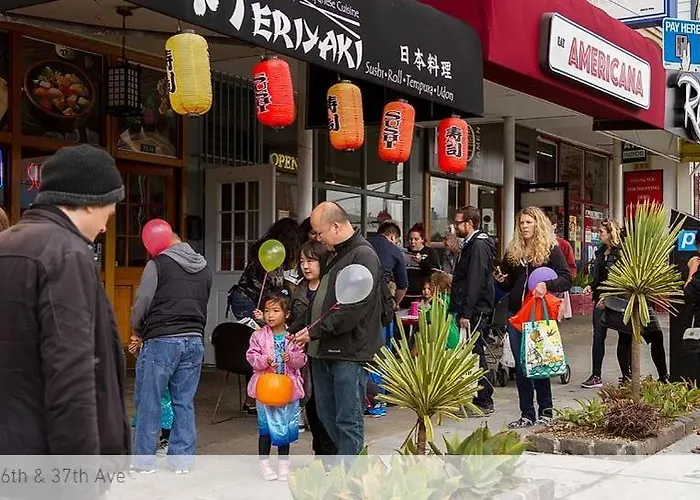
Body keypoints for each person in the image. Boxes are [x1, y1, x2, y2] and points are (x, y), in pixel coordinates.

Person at [0, 145, 131, 457]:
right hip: (48, 452)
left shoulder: (7, 242)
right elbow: (71, 372)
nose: (105, 226)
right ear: (90, 202)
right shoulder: (67, 254)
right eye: (109, 213)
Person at [293, 202, 383, 456]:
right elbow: (321, 300)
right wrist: (297, 327)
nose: (318, 239)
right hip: (323, 350)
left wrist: (315, 331)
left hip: (348, 351)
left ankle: (351, 471)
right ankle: (341, 466)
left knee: (347, 419)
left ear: (335, 226)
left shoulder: (363, 255)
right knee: (326, 414)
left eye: (320, 233)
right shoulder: (335, 254)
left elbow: (353, 308)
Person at [131, 231, 212, 473]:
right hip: (194, 339)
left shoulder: (158, 264)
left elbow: (143, 301)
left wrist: (137, 329)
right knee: (183, 402)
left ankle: (144, 461)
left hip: (161, 339)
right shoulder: (204, 268)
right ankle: (182, 461)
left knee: (149, 400)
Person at [495, 206, 572, 429]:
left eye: (529, 222)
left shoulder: (550, 249)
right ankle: (527, 413)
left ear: (538, 224)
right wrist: (501, 280)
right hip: (516, 314)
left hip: (537, 315)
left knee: (538, 362)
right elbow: (510, 284)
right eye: (521, 223)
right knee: (521, 366)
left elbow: (566, 279)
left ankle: (546, 411)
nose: (524, 226)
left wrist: (546, 285)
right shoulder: (513, 251)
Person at [227, 217, 304, 413]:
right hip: (246, 300)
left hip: (242, 298)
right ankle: (256, 397)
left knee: (258, 344)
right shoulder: (273, 254)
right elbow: (275, 289)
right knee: (262, 343)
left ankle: (253, 398)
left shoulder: (265, 248)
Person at [247, 292, 306, 481]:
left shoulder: (293, 337)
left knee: (285, 428)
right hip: (265, 389)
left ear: (287, 314)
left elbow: (302, 360)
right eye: (266, 311)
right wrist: (265, 360)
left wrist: (292, 358)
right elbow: (251, 357)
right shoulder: (258, 336)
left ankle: (283, 465)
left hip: (287, 390)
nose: (270, 315)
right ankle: (264, 464)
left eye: (275, 310)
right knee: (264, 428)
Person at [287, 240, 337, 456]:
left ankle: (331, 456)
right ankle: (320, 454)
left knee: (328, 408)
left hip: (327, 355)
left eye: (311, 260)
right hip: (303, 358)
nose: (305, 266)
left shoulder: (331, 288)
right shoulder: (299, 289)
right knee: (312, 407)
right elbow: (297, 320)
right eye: (302, 261)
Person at [450, 206, 496, 414]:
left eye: (458, 222)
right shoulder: (471, 244)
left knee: (476, 354)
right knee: (472, 352)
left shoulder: (478, 245)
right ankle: (478, 397)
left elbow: (475, 281)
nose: (455, 226)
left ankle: (484, 399)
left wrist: (466, 312)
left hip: (476, 309)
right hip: (471, 307)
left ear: (469, 224)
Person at [580, 219, 622, 389]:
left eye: (601, 232)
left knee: (624, 337)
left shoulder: (620, 253)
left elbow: (621, 278)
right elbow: (599, 276)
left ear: (611, 233)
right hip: (600, 298)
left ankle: (627, 375)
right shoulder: (601, 252)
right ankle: (596, 375)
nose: (599, 235)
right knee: (598, 337)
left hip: (617, 300)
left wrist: (608, 296)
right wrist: (591, 286)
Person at [403, 222, 440, 307]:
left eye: (416, 239)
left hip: (422, 296)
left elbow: (435, 271)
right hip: (405, 296)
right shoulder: (404, 252)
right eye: (410, 239)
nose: (412, 242)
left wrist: (421, 262)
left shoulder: (430, 252)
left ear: (422, 239)